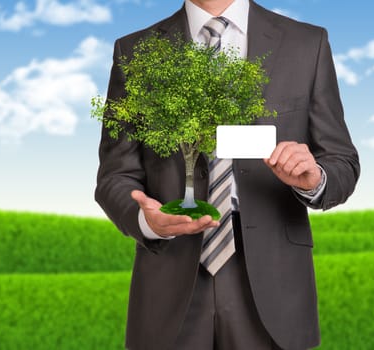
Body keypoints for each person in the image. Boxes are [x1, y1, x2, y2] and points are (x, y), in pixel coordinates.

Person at [95, 0, 360, 349]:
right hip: (169, 282)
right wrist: (147, 223)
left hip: (274, 285)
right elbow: (115, 175)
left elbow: (341, 161)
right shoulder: (134, 51)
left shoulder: (306, 44)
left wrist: (314, 179)